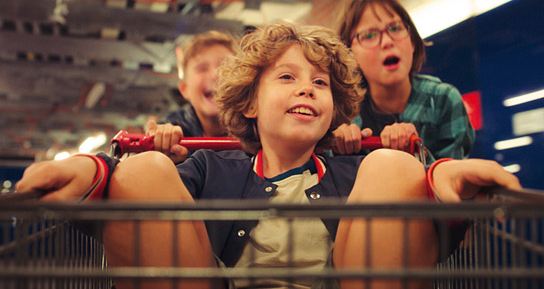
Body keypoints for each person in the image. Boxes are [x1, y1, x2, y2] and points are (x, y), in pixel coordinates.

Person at [16, 22, 521, 289]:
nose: (307, 89)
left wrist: (443, 174)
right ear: (250, 104)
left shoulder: (357, 168)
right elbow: (133, 207)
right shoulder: (209, 166)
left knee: (393, 164)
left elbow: (418, 199)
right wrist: (92, 168)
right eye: (287, 77)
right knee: (146, 167)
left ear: (334, 107)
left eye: (319, 83)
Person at [333, 0, 475, 162]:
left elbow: (454, 182)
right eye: (369, 35)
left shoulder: (443, 99)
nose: (387, 42)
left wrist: (414, 151)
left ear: (413, 41)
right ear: (350, 56)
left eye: (395, 28)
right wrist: (335, 150)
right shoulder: (341, 115)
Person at [147, 30, 236, 163]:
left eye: (225, 66)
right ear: (185, 89)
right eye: (202, 68)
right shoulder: (173, 130)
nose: (216, 74)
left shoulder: (259, 130)